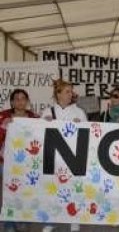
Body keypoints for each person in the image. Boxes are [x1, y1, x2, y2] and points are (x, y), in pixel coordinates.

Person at [42, 80, 86, 232]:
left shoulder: (79, 112)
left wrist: (80, 125)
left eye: (71, 91)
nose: (71, 94)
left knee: (73, 188)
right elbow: (39, 134)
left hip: (73, 157)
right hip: (54, 157)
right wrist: (44, 124)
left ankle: (74, 220)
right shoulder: (48, 112)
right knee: (53, 188)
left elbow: (87, 136)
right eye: (67, 91)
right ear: (58, 94)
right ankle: (51, 219)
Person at [0, 89, 38, 232]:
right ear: (11, 102)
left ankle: (22, 219)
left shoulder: (35, 118)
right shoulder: (3, 117)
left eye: (23, 98)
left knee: (25, 192)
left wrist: (47, 123)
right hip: (6, 163)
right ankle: (9, 223)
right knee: (8, 193)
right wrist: (3, 127)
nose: (20, 101)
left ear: (27, 101)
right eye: (17, 99)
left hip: (26, 165)